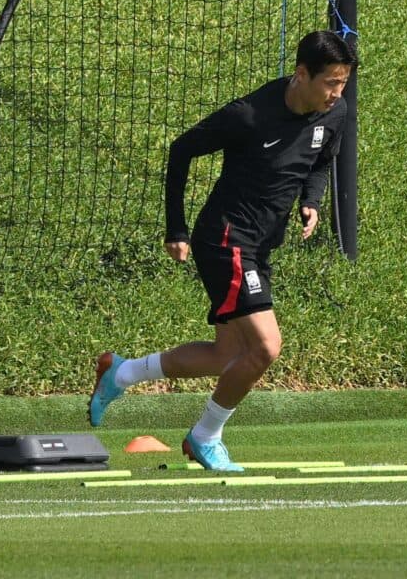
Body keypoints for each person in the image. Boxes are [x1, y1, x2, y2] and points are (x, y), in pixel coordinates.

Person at [87, 28, 358, 472]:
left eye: (343, 83)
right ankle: (205, 436)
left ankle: (121, 372)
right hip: (227, 240)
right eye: (331, 82)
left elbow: (322, 160)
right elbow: (181, 151)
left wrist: (311, 201)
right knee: (267, 347)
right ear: (301, 74)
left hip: (262, 242)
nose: (337, 93)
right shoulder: (249, 115)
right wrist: (176, 227)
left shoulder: (335, 111)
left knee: (226, 356)